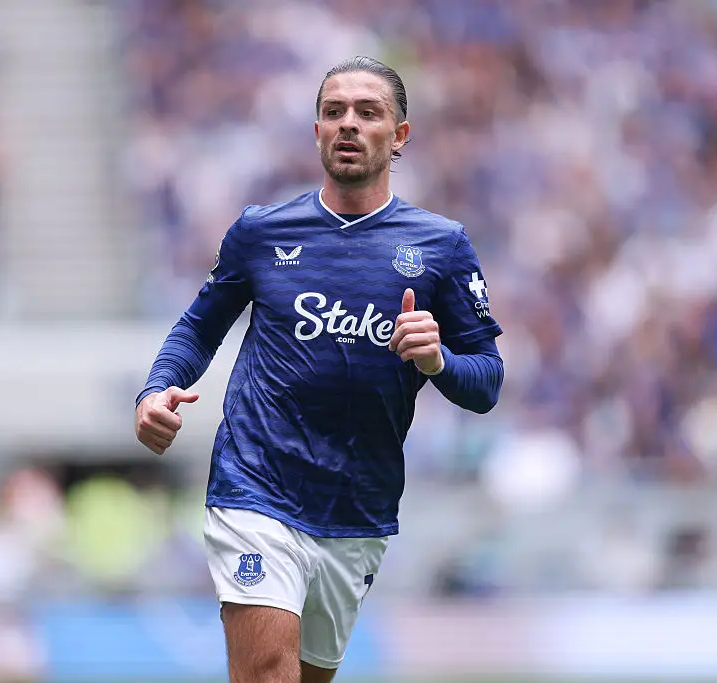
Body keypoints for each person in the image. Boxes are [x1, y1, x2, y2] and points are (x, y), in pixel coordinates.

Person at [135, 56, 504, 683]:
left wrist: (438, 360)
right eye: (334, 112)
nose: (348, 124)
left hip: (356, 509)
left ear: (400, 135)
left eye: (368, 112)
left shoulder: (441, 246)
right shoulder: (261, 232)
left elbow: (487, 383)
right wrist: (156, 389)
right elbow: (198, 327)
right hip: (256, 486)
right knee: (267, 674)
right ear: (317, 131)